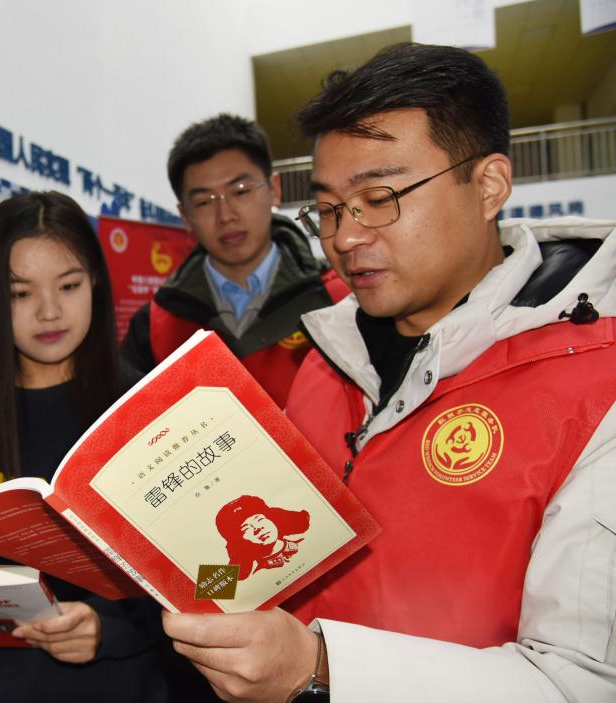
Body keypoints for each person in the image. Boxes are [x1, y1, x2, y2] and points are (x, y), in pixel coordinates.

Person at [162, 42, 616, 702]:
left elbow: (579, 682)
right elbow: (271, 556)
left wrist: (322, 667)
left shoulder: (598, 382)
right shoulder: (326, 357)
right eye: (328, 209)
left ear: (489, 186)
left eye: (379, 197)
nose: (345, 237)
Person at [0, 191, 168, 703]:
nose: (49, 311)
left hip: (113, 683)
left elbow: (187, 577)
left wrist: (109, 629)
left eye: (69, 285)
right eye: (21, 293)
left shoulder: (143, 404)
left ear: (95, 282)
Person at [120, 113, 347, 409]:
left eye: (240, 192)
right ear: (185, 216)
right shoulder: (154, 326)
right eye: (204, 202)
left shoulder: (339, 299)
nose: (226, 216)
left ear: (274, 189)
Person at [215, 495, 310, 580]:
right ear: (240, 540)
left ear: (271, 518)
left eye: (259, 519)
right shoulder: (255, 576)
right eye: (246, 529)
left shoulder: (305, 542)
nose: (258, 529)